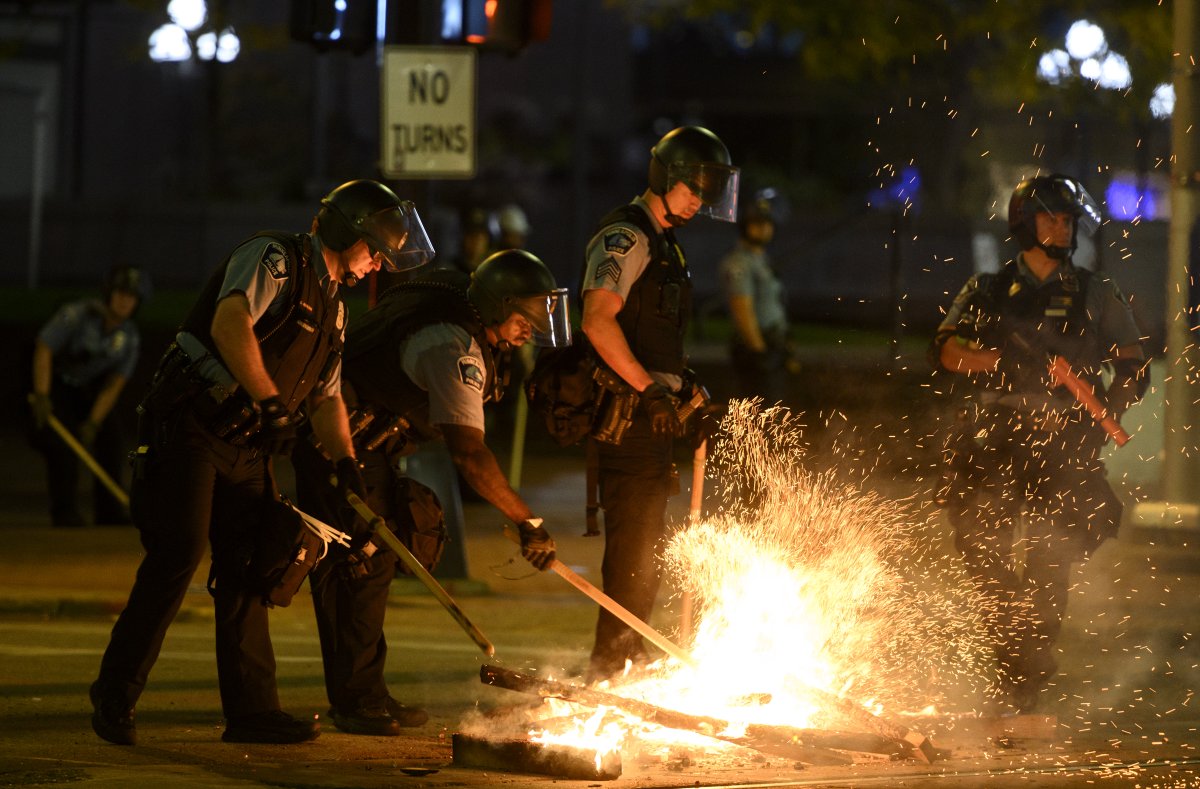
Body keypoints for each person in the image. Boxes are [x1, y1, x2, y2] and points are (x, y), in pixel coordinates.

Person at [89, 179, 435, 746]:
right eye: (375, 251)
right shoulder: (275, 257)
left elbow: (326, 396)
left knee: (252, 566)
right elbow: (231, 323)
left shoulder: (335, 310)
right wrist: (270, 401)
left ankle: (252, 712)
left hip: (248, 447)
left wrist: (345, 459)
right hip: (195, 429)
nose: (377, 266)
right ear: (349, 230)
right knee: (178, 555)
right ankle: (115, 693)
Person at [290, 248, 567, 735]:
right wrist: (528, 521)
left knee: (371, 565)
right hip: (340, 447)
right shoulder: (452, 346)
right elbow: (469, 454)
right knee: (361, 567)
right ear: (499, 305)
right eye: (526, 317)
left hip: (361, 445)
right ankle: (357, 702)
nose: (532, 330)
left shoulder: (455, 304)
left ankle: (365, 693)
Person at [930, 173, 1148, 713]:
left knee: (1052, 560)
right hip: (996, 438)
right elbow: (946, 350)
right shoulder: (985, 288)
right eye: (1052, 217)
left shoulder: (1098, 292)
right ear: (1025, 224)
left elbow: (1132, 365)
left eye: (1069, 218)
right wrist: (1000, 363)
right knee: (985, 553)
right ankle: (1012, 658)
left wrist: (1105, 413)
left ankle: (1026, 681)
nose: (1063, 227)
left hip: (1064, 443)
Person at [579, 125, 739, 683]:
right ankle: (610, 668)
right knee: (633, 553)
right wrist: (649, 390)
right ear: (663, 177)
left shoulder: (667, 241)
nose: (700, 199)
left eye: (709, 190)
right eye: (692, 186)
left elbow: (654, 338)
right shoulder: (628, 236)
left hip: (653, 412)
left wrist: (684, 387)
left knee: (646, 551)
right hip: (627, 416)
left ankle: (628, 657)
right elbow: (597, 319)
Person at [29, 265, 145, 527]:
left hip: (90, 391)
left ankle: (109, 511)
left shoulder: (130, 338)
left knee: (111, 441)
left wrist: (94, 421)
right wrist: (42, 395)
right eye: (120, 293)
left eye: (132, 297)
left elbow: (114, 384)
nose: (125, 301)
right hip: (57, 386)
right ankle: (64, 511)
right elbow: (44, 349)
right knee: (63, 446)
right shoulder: (76, 316)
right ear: (109, 294)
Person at [718, 191, 793, 405]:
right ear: (744, 225)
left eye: (768, 223)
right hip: (755, 351)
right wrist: (759, 353)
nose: (764, 228)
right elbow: (742, 308)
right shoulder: (739, 263)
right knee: (759, 414)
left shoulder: (761, 259)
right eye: (757, 223)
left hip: (772, 346)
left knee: (776, 413)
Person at [445, 206, 497, 274]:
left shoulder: (493, 271)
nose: (475, 242)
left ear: (487, 240)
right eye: (471, 236)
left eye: (480, 238)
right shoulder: (451, 269)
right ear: (463, 238)